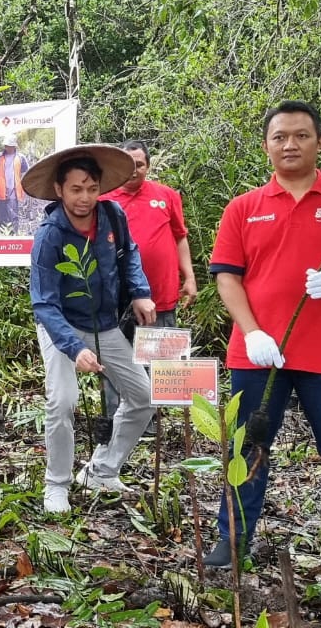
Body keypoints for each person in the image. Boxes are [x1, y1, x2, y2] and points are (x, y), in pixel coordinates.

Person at [204, 101, 321, 579]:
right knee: (247, 447)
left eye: (301, 135)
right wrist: (253, 331)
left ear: (320, 142)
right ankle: (231, 539)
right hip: (258, 352)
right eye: (280, 136)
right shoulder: (244, 207)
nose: (290, 144)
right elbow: (227, 277)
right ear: (266, 145)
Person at [24, 144, 157, 514]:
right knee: (62, 402)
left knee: (143, 397)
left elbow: (129, 254)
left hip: (104, 325)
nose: (85, 198)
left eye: (91, 188)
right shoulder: (49, 236)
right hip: (60, 329)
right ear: (59, 190)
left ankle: (102, 469)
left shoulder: (112, 215)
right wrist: (73, 347)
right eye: (76, 189)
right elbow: (44, 304)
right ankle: (57, 485)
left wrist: (140, 293)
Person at [99, 139, 197, 433]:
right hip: (116, 298)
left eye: (139, 164)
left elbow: (180, 236)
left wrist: (189, 277)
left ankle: (152, 427)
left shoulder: (166, 196)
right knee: (116, 362)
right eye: (128, 165)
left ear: (148, 166)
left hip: (162, 293)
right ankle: (118, 422)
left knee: (160, 363)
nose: (133, 170)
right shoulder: (105, 199)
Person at [0, 134, 30, 232]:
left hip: (14, 192)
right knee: (1, 215)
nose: (7, 147)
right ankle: (2, 236)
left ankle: (13, 236)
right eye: (6, 145)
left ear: (14, 146)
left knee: (13, 215)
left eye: (9, 145)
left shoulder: (21, 158)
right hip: (1, 191)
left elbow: (25, 171)